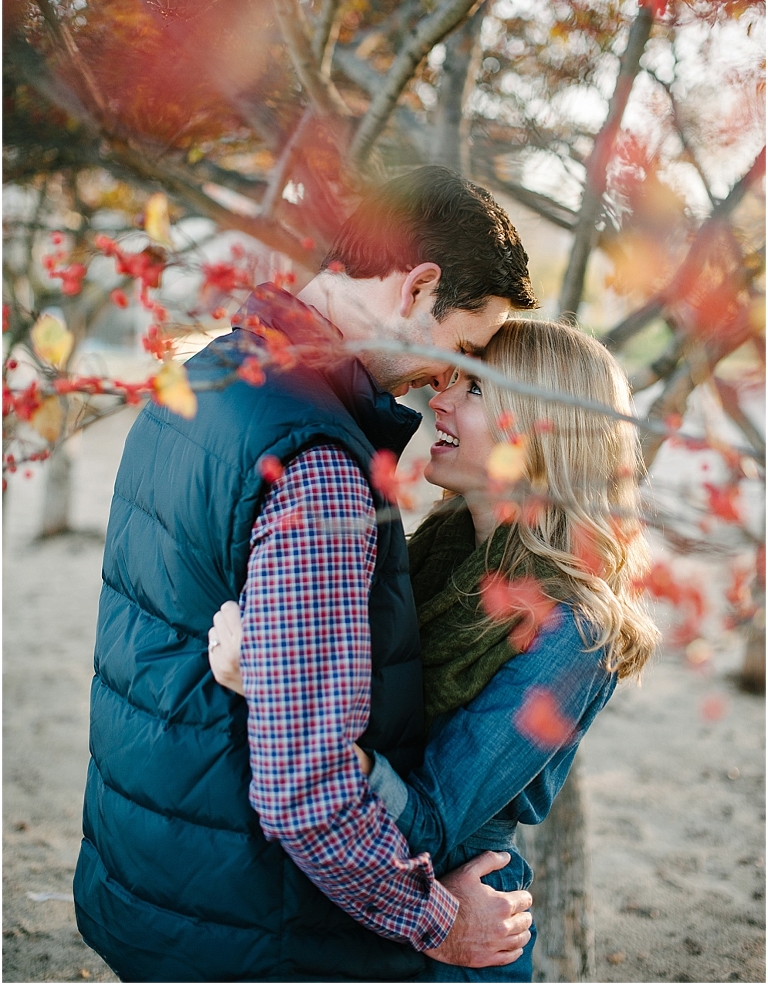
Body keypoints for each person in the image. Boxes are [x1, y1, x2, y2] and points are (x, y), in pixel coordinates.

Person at [73, 166, 539, 983]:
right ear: (418, 287)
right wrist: (441, 925)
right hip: (257, 926)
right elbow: (308, 791)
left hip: (151, 874)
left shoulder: (208, 376)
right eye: (461, 348)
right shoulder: (318, 465)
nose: (446, 382)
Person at [208, 317, 661, 982]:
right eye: (449, 380)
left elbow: (430, 822)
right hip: (377, 890)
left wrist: (282, 690)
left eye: (473, 388)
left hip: (462, 920)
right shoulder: (436, 548)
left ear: (543, 431)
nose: (438, 400)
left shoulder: (573, 629)